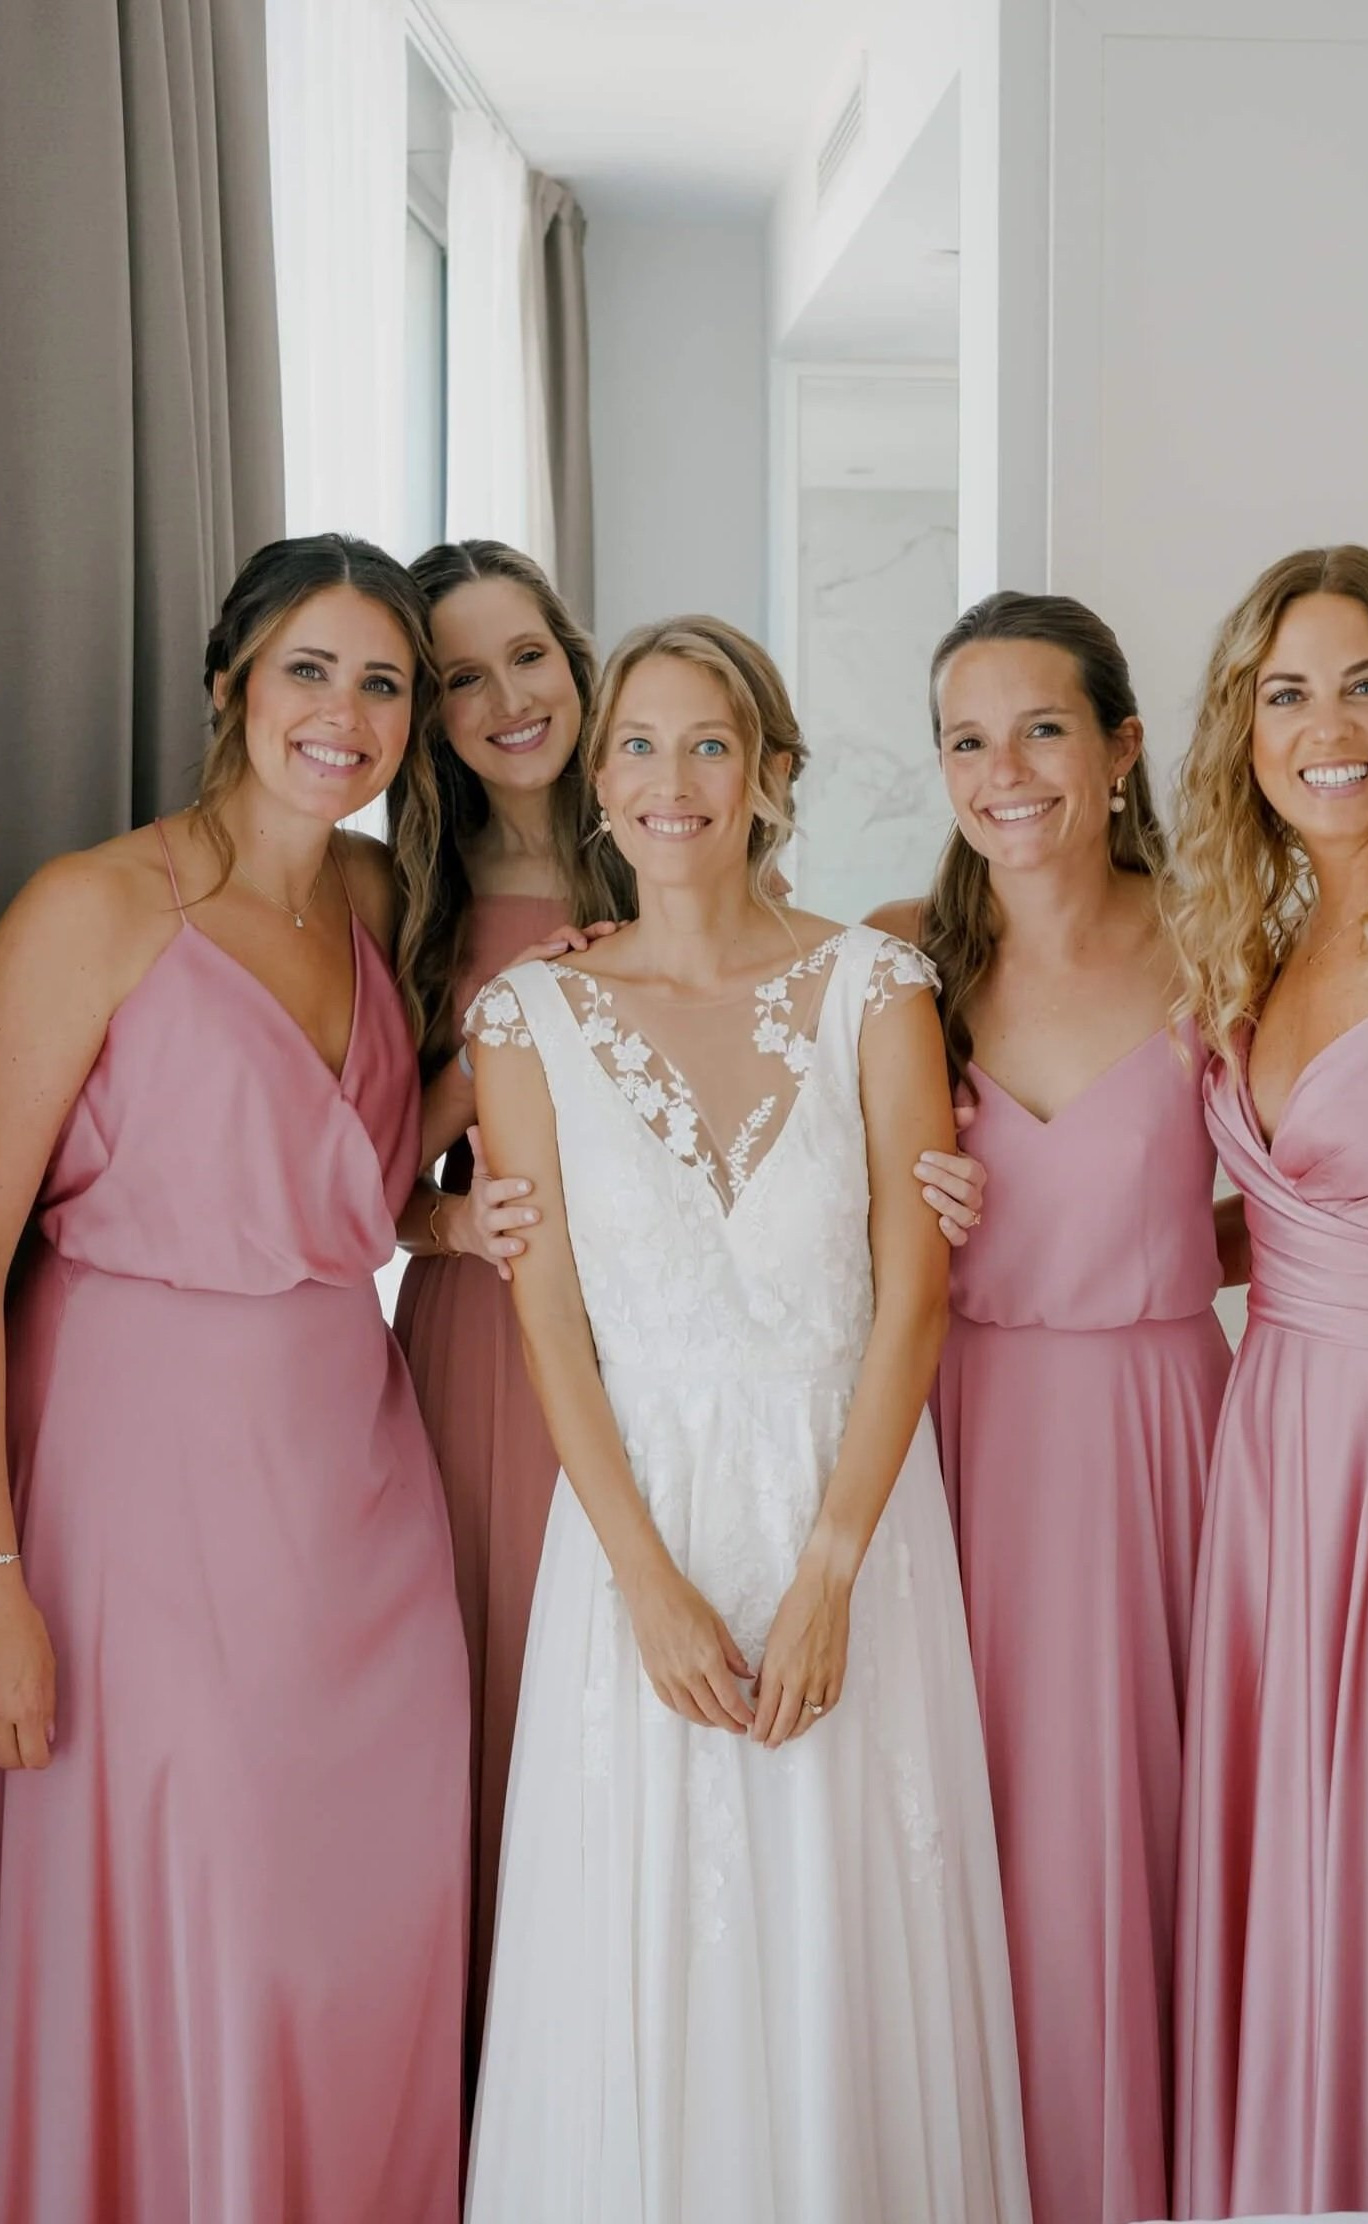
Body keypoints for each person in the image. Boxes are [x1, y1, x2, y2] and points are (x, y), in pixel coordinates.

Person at [385, 543, 991, 2089]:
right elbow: (549, 1326)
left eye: (710, 744)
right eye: (640, 747)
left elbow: (913, 1298)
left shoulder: (881, 988)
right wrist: (642, 1585)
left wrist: (831, 1570)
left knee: (843, 1949)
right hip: (632, 1524)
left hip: (849, 1516)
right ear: (599, 781)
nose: (672, 781)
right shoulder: (527, 1015)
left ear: (771, 774)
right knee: (641, 1954)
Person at [0, 535, 469, 2224]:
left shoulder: (376, 901)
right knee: (209, 1900)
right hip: (139, 1479)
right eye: (307, 671)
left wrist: (471, 1160)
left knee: (367, 1911)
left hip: (357, 1475)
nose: (344, 713)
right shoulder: (94, 908)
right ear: (228, 686)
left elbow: (352, 1188)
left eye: (382, 683)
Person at [871, 591, 1236, 2224]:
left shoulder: (1220, 942)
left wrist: (1162, 1250)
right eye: (967, 738)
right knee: (966, 1822)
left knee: (1148, 1822)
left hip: (1163, 1438)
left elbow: (1315, 1196)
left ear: (1119, 748)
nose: (1002, 770)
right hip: (960, 1439)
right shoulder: (896, 960)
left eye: (1040, 729)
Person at [1168, 544, 1368, 2215]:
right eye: (1285, 693)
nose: (1326, 727)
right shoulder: (1267, 940)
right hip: (1277, 1457)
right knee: (1294, 1886)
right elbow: (1297, 1220)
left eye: (1364, 685)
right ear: (1246, 731)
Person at [386, 539, 625, 2080]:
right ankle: (493, 2086)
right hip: (482, 1343)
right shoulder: (406, 899)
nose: (506, 699)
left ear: (573, 659)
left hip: (663, 1343)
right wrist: (487, 1058)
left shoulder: (668, 839)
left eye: (525, 655)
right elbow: (364, 1188)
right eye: (461, 678)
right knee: (499, 1699)